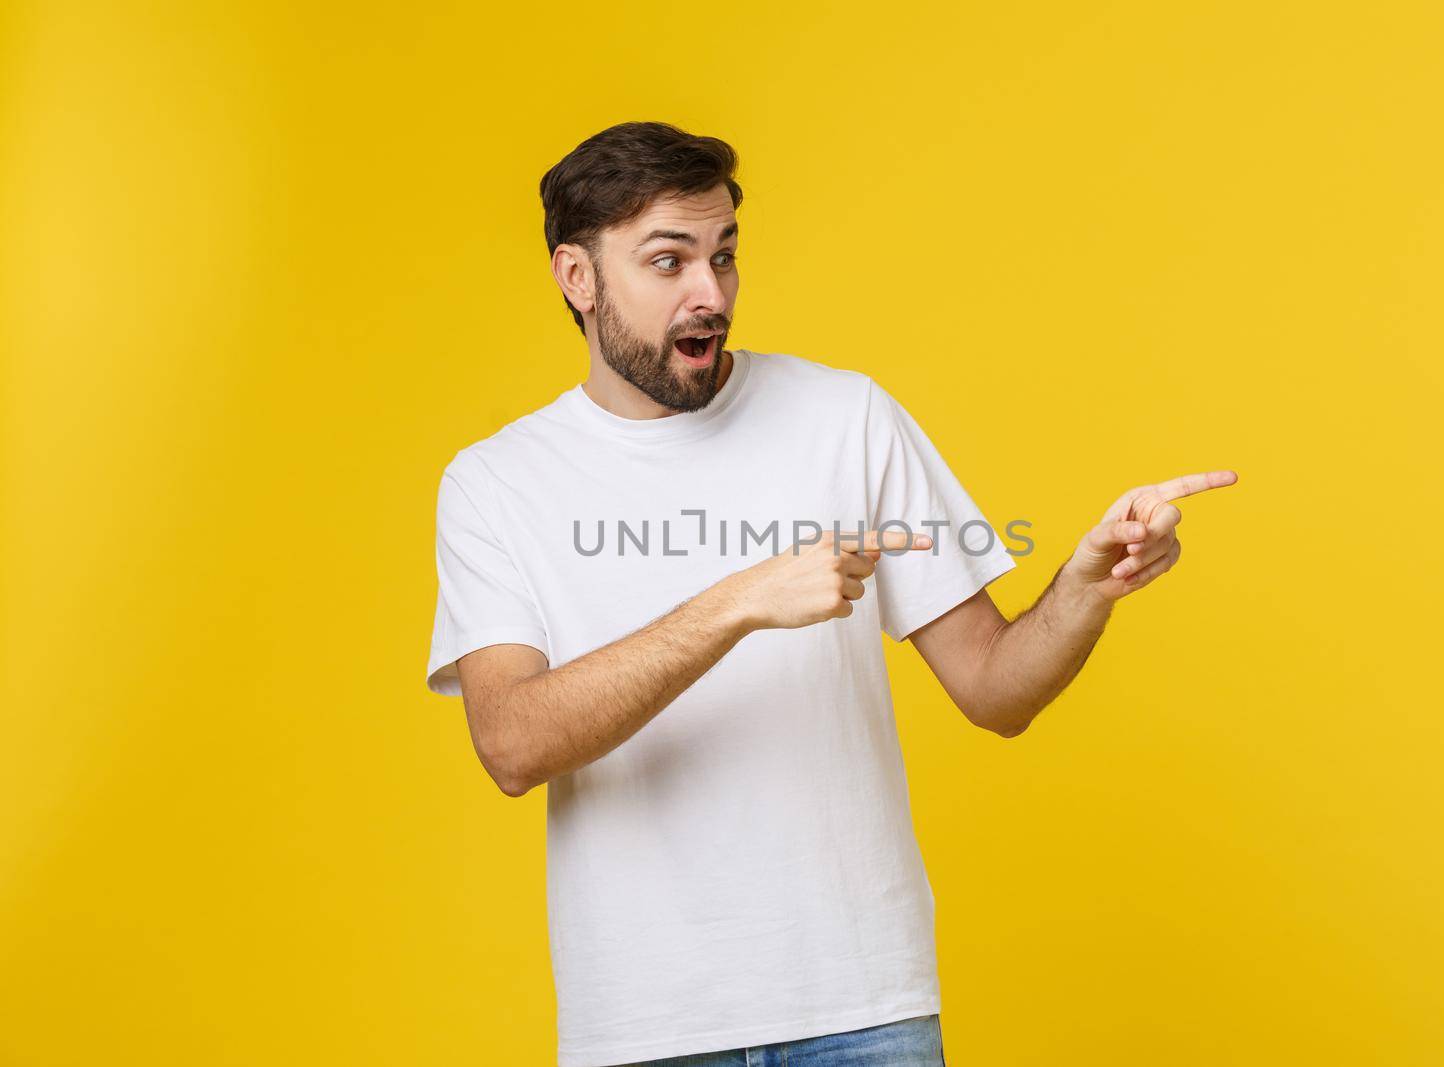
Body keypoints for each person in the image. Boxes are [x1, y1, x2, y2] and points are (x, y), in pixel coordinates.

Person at [426, 121, 1237, 1067]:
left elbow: (996, 688)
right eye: (668, 261)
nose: (710, 294)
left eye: (724, 257)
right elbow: (513, 743)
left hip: (864, 1008)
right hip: (649, 1027)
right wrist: (738, 600)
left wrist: (1087, 586)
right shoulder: (496, 483)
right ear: (578, 277)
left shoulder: (846, 418)